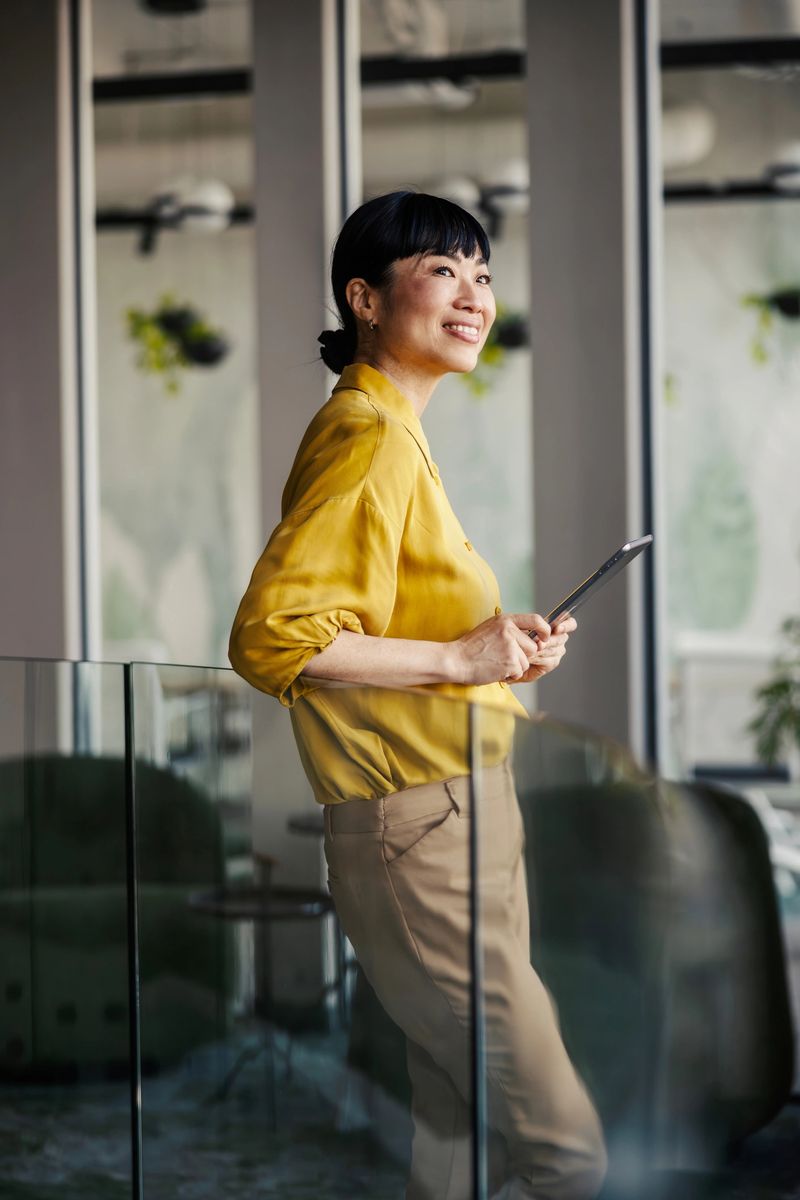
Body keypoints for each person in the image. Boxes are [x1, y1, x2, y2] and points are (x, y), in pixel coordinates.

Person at [228, 190, 607, 1200]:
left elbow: (389, 634)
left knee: (457, 1130)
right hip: (420, 831)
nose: (473, 296)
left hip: (462, 813)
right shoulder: (370, 437)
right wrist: (456, 664)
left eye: (482, 275)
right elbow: (273, 636)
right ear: (363, 296)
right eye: (443, 270)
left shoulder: (394, 431)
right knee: (562, 1147)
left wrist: (495, 653)